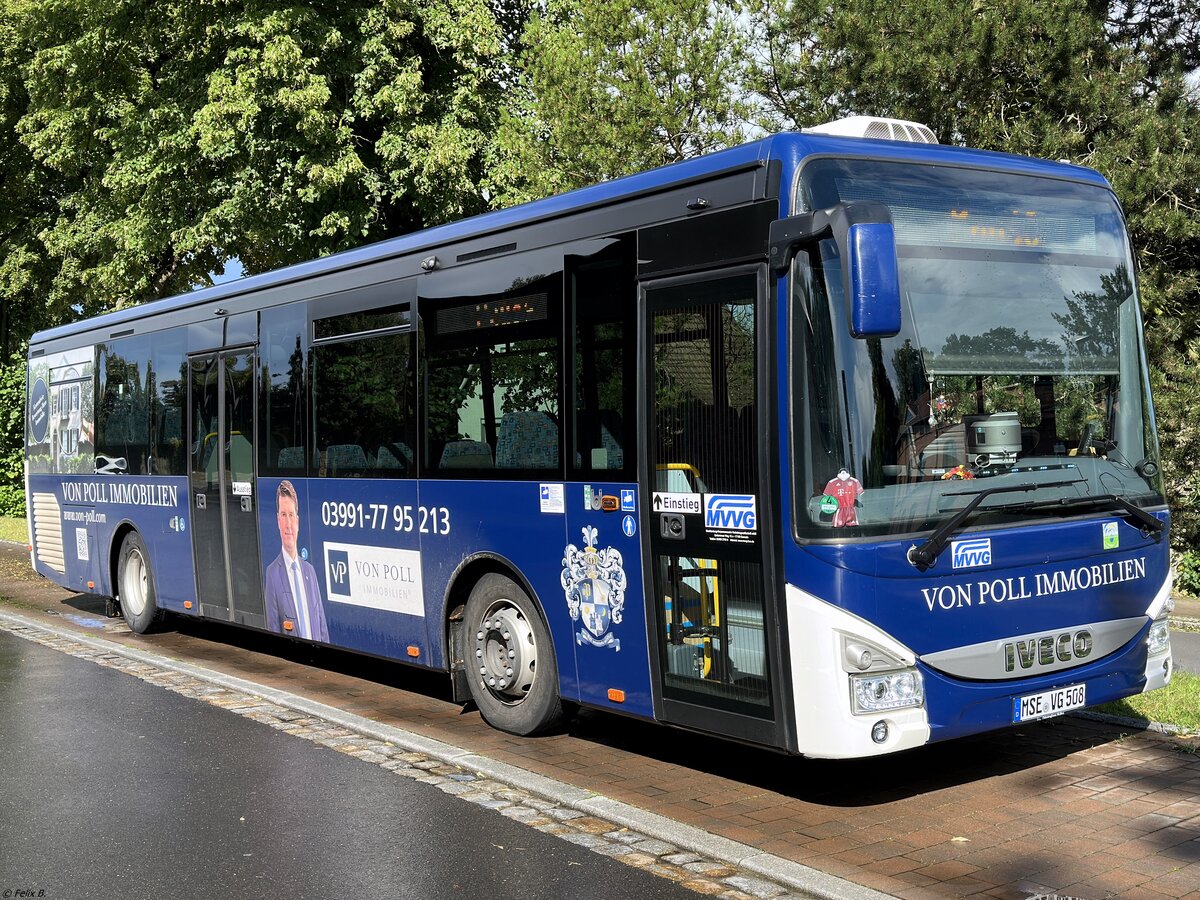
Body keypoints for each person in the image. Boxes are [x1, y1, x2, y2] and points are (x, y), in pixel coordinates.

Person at [264, 480, 330, 641]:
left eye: (291, 515)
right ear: (278, 521)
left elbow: (322, 628)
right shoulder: (272, 574)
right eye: (283, 515)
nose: (288, 524)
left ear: (298, 522)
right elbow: (273, 628)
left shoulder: (310, 571)